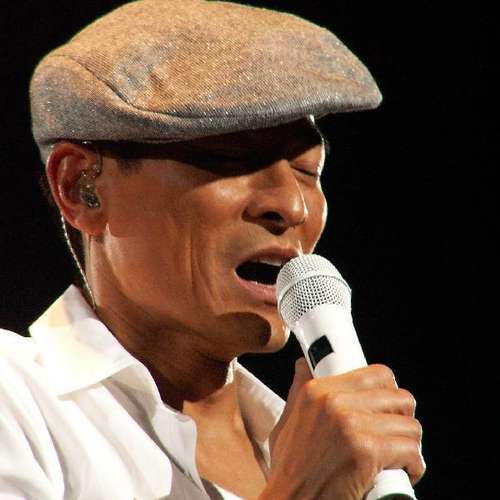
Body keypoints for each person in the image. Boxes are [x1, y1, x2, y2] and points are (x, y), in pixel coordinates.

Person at [0, 1, 425, 499]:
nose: (291, 205)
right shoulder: (19, 401)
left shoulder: (313, 445)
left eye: (308, 171)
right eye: (232, 159)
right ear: (80, 188)